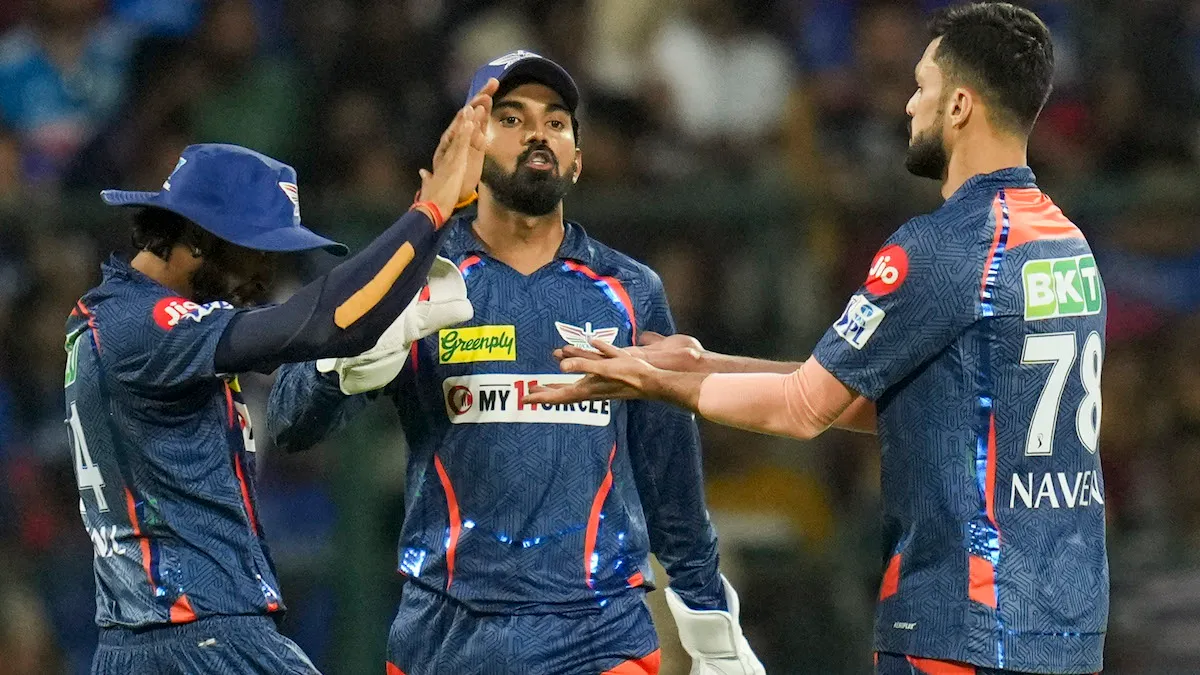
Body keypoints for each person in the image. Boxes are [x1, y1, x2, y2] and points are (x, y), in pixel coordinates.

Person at [527, 5, 1108, 675]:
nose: (909, 105)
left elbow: (804, 407)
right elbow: (913, 406)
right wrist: (703, 362)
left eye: (922, 86)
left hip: (964, 625)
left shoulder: (943, 249)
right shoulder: (1068, 245)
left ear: (958, 106)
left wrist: (657, 381)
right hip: (1067, 625)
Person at [267, 51, 763, 675]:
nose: (538, 133)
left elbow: (671, 483)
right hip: (444, 637)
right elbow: (288, 423)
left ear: (577, 160)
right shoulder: (412, 276)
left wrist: (710, 621)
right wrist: (340, 365)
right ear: (468, 146)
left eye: (557, 123)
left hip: (599, 634)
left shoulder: (630, 290)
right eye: (510, 117)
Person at [65, 79, 497, 674]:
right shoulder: (146, 323)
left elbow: (313, 361)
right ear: (194, 238)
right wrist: (430, 211)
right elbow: (322, 323)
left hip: (139, 643)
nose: (266, 272)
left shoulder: (110, 317)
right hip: (204, 637)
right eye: (256, 249)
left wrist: (341, 365)